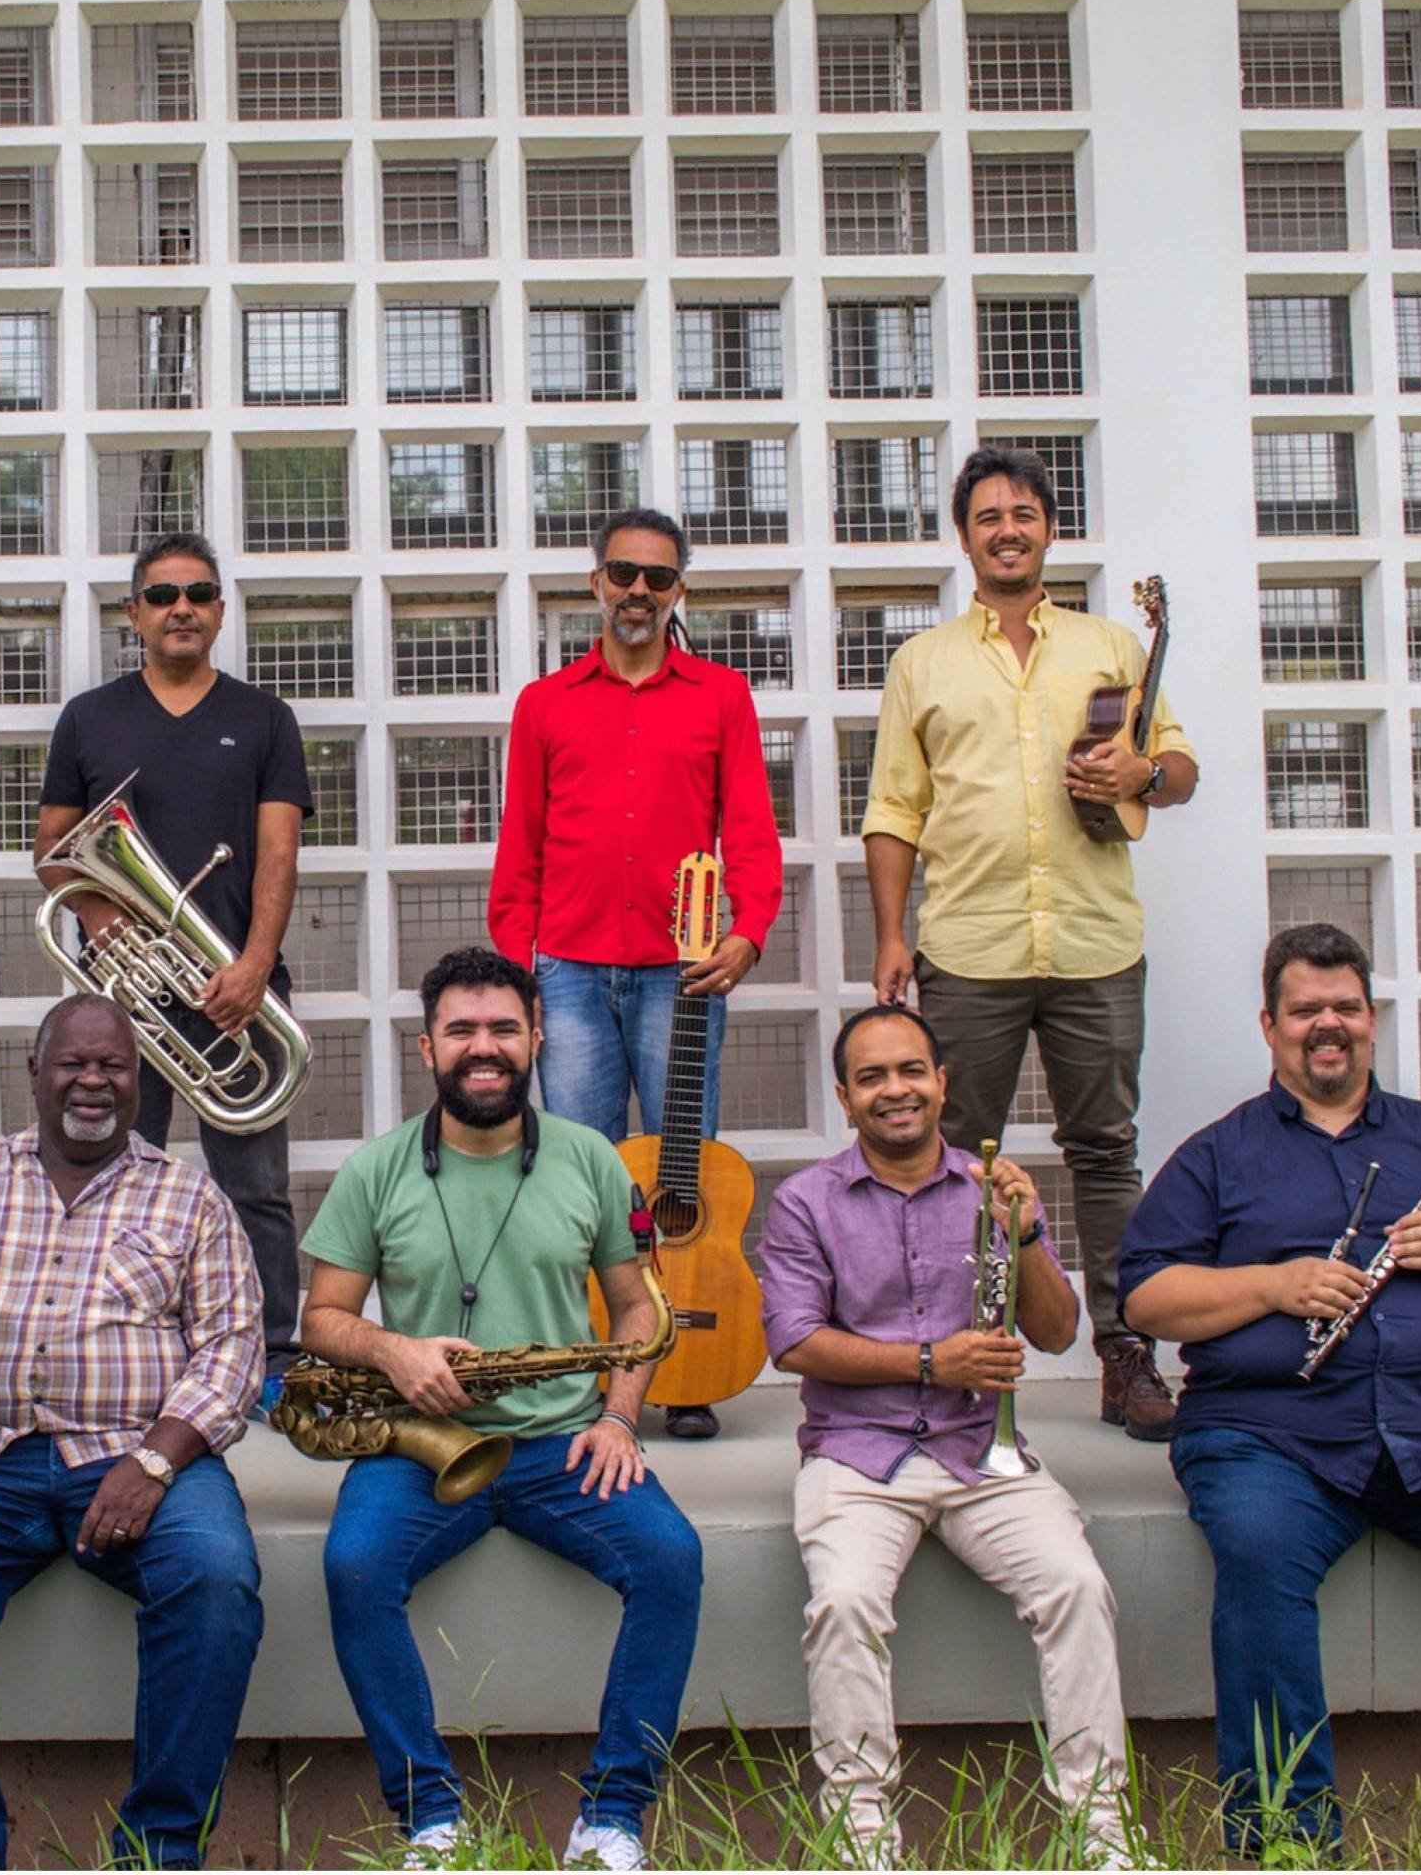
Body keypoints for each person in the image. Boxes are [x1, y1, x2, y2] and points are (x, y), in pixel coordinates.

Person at [1121, 924, 1421, 1860]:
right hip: (1271, 1435)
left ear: (1369, 1020)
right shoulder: (1219, 1155)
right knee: (1257, 1559)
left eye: (1345, 1007)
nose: (1327, 1026)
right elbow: (1146, 1294)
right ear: (1271, 1025)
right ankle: (1288, 1848)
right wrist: (1271, 1285)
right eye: (1306, 1010)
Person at [301, 948, 702, 1873]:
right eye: (462, 1031)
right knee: (355, 1568)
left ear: (538, 1036)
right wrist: (395, 1351)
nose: (484, 1048)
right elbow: (320, 1321)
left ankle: (612, 1818)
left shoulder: (592, 1160)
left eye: (503, 1029)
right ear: (426, 1047)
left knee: (672, 1560)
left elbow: (639, 1312)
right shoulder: (376, 1170)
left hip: (564, 1441)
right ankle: (431, 1821)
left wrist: (620, 1420)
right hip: (417, 1446)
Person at [0, 992, 265, 1870]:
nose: (94, 1082)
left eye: (114, 1066)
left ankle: (159, 1850)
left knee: (216, 1583)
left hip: (138, 1452)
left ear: (140, 1081)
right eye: (74, 1064)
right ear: (35, 1076)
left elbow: (236, 1346)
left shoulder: (188, 1196)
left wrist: (159, 1459)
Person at [859, 446, 1198, 1443]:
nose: (1008, 528)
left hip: (1096, 943)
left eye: (1025, 513)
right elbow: (892, 811)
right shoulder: (921, 661)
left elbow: (1177, 769)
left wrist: (1143, 771)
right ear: (963, 537)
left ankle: (1126, 1353)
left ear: (1049, 528)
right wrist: (890, 937)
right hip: (967, 945)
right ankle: (962, 1350)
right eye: (988, 515)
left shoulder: (1111, 647)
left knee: (1106, 1151)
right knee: (953, 1158)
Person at [755, 1005, 1128, 1863]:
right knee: (844, 1604)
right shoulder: (807, 1202)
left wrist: (1027, 1234)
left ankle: (1101, 1832)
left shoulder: (993, 1186)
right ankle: (862, 1840)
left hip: (979, 1451)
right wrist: (932, 1360)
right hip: (857, 1454)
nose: (897, 1091)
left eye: (912, 1071)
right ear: (845, 1098)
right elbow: (795, 1340)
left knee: (1077, 1585)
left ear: (943, 1082)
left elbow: (1058, 1331)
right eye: (874, 1078)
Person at [490, 505, 782, 1441]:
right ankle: (592, 1365)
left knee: (681, 1171)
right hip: (567, 969)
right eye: (623, 574)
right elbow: (520, 846)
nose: (639, 592)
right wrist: (518, 965)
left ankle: (684, 1367)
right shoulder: (544, 703)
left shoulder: (722, 697)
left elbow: (752, 832)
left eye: (658, 578)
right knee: (582, 1175)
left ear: (679, 589)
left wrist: (752, 931)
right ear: (596, 584)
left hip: (682, 972)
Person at [34, 531, 312, 1369]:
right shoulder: (90, 718)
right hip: (124, 998)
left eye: (197, 593)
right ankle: (126, 1350)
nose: (180, 608)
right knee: (116, 1175)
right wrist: (97, 913)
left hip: (238, 983)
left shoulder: (265, 718)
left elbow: (279, 853)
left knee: (255, 1188)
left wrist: (256, 965)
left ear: (221, 612)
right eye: (161, 596)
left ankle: (269, 1356)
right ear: (134, 615)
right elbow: (51, 850)